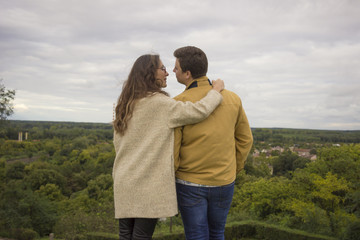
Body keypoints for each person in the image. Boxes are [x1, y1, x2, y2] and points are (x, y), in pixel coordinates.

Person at [112, 54, 225, 240]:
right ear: (150, 73)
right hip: (147, 182)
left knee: (126, 235)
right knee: (141, 236)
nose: (167, 73)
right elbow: (199, 111)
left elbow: (118, 145)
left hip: (124, 179)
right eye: (162, 69)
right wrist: (216, 91)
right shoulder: (160, 104)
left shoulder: (125, 104)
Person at [172, 46, 253, 240]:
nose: (173, 70)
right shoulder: (233, 98)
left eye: (176, 67)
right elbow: (245, 139)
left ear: (187, 74)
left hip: (189, 182)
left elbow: (172, 150)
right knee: (217, 233)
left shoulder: (178, 102)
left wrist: (172, 175)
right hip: (224, 181)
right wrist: (234, 169)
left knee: (196, 235)